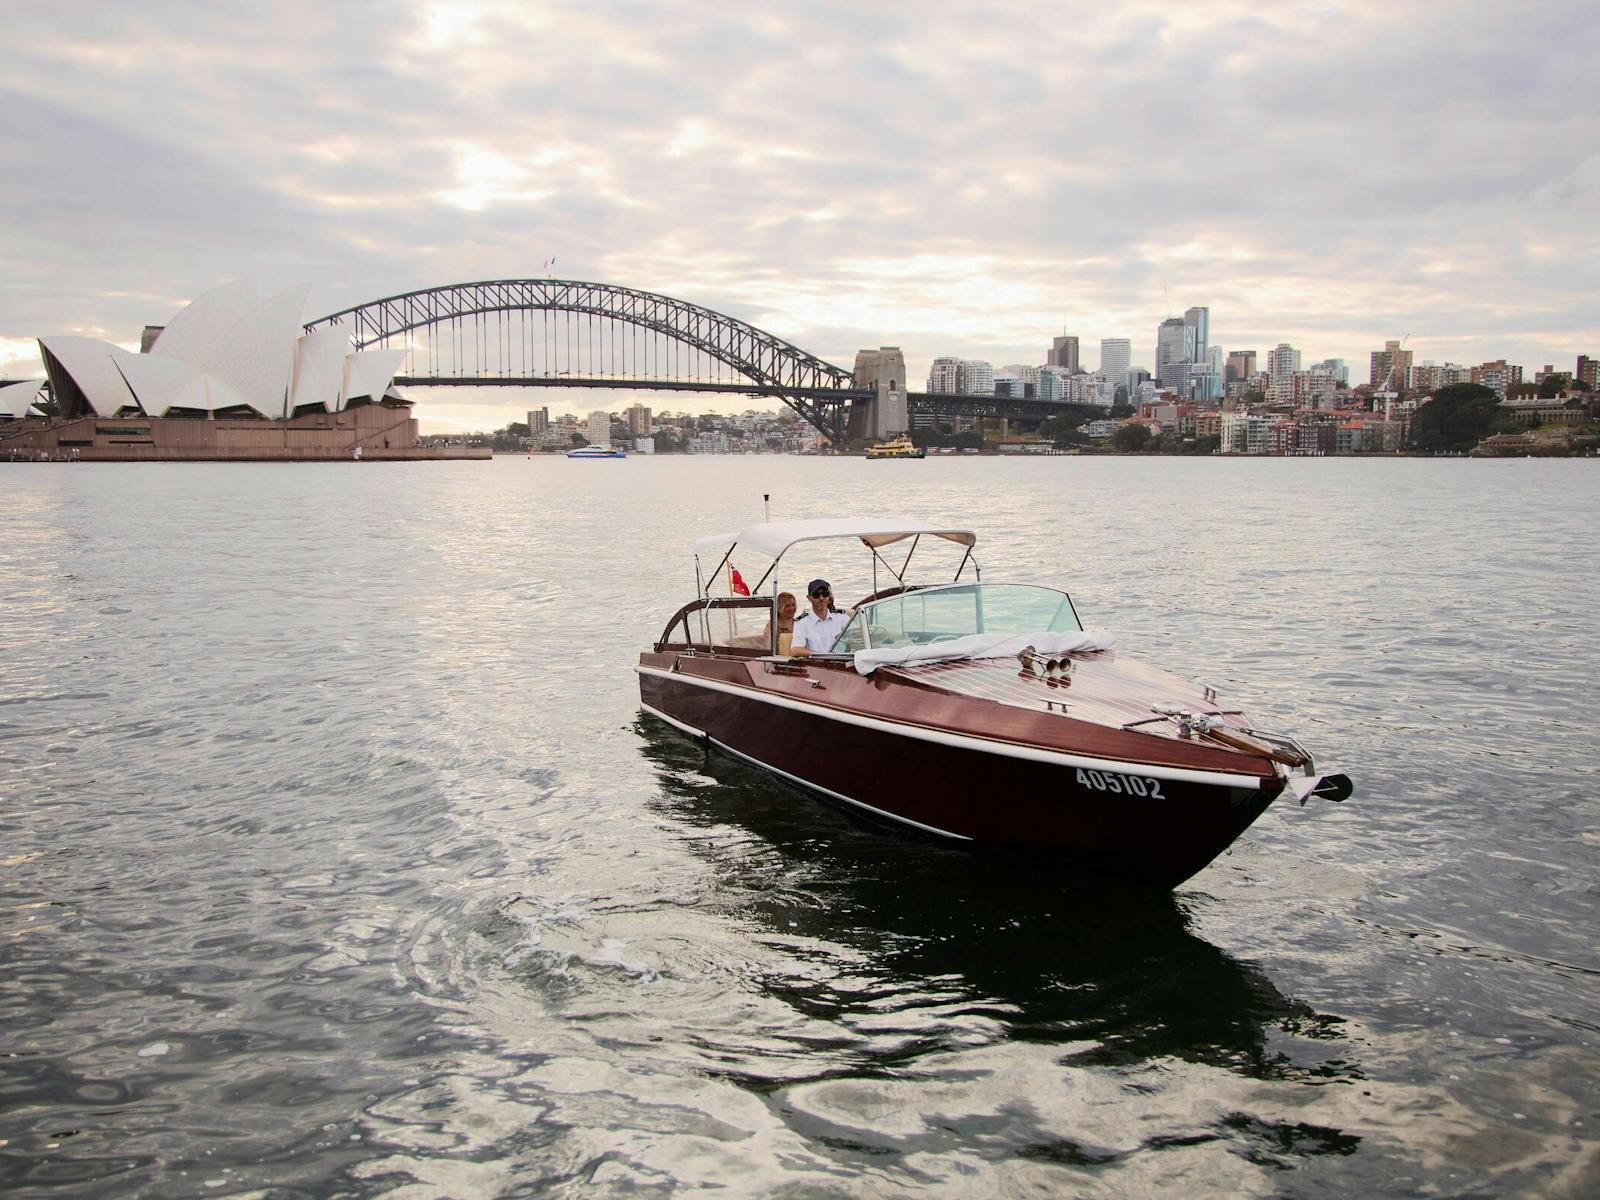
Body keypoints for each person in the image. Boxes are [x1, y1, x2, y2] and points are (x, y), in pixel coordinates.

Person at [789, 579, 849, 657]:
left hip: (842, 663)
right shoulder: (801, 622)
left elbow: (857, 640)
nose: (821, 598)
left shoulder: (842, 617)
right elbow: (795, 650)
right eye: (816, 595)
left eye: (825, 594)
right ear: (809, 598)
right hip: (818, 664)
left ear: (829, 596)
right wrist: (822, 656)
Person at [771, 591, 798, 656]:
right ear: (779, 608)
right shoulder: (773, 626)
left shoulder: (800, 623)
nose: (792, 608)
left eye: (793, 605)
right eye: (787, 606)